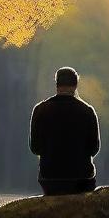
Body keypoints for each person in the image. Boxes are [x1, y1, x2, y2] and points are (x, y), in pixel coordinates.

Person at [29, 67, 100, 195]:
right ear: (75, 85)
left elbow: (35, 148)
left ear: (57, 84)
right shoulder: (87, 111)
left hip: (50, 179)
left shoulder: (40, 109)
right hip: (81, 179)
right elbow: (94, 149)